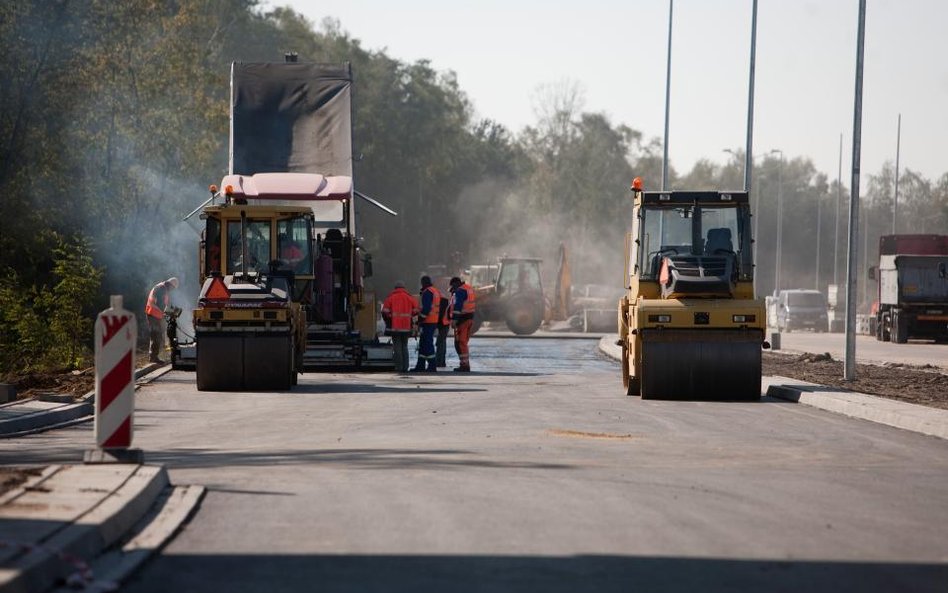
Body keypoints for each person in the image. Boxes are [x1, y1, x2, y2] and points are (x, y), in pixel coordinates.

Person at [381, 281, 419, 372]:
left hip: (395, 327)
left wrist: (390, 317)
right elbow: (416, 310)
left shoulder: (390, 298)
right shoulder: (410, 298)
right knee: (405, 346)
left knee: (397, 346)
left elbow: (385, 312)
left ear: (395, 288)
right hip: (406, 327)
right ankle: (405, 367)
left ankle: (399, 367)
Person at [145, 277, 179, 363]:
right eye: (173, 288)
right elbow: (159, 304)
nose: (172, 290)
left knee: (158, 335)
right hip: (152, 314)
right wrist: (170, 312)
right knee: (156, 335)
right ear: (170, 285)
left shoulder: (164, 288)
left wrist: (172, 309)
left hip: (156, 315)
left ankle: (154, 356)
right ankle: (153, 357)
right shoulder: (161, 288)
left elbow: (165, 304)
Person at [412, 275, 441, 372]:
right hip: (432, 321)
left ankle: (432, 365)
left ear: (423, 283)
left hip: (427, 321)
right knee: (424, 343)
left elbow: (426, 309)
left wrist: (419, 320)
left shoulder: (427, 292)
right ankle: (421, 364)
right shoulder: (435, 291)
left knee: (427, 343)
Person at [449, 276, 476, 372]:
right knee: (463, 342)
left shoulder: (460, 291)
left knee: (461, 342)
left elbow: (458, 306)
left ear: (455, 284)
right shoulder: (468, 288)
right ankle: (464, 363)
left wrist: (454, 320)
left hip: (462, 320)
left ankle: (464, 365)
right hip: (469, 318)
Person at [435, 290, 451, 367]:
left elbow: (440, 314)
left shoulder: (442, 301)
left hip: (443, 324)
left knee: (440, 343)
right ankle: (442, 362)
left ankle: (439, 362)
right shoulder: (444, 300)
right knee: (442, 343)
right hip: (445, 324)